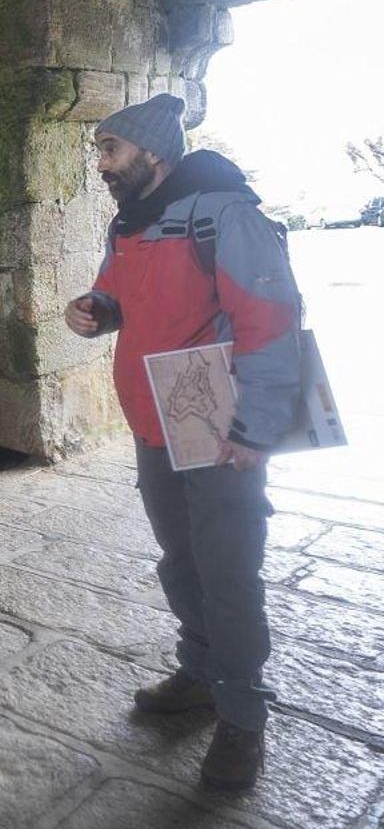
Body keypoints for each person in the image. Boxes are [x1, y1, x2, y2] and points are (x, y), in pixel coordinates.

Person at [64, 93, 302, 791]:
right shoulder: (128, 224)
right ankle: (201, 675)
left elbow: (269, 318)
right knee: (182, 558)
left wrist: (254, 428)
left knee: (227, 572)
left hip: (218, 427)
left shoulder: (226, 214)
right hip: (153, 424)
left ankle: (243, 718)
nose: (102, 163)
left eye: (111, 149)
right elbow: (118, 290)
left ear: (153, 153)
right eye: (99, 150)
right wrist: (97, 308)